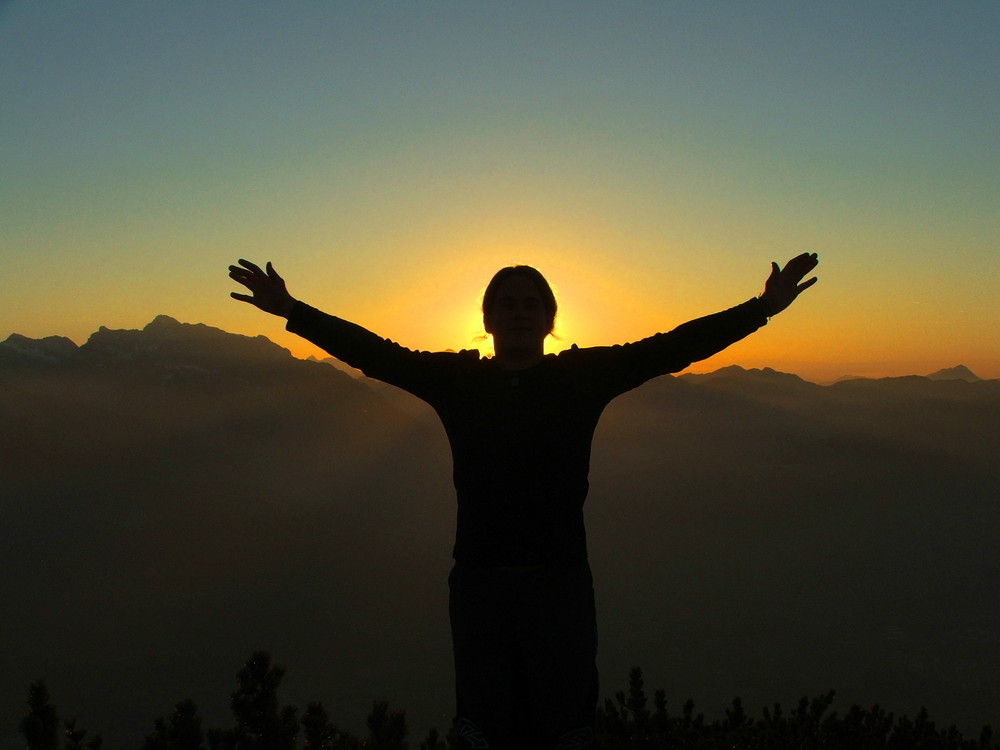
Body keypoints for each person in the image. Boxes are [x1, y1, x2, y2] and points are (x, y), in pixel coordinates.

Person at [228, 253, 819, 750]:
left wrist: (761, 309)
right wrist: (291, 311)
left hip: (559, 586)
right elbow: (376, 355)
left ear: (548, 318)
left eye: (529, 303)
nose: (517, 312)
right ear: (486, 318)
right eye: (506, 304)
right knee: (483, 731)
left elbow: (672, 348)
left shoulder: (581, 378)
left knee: (566, 730)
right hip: (481, 587)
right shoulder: (460, 383)